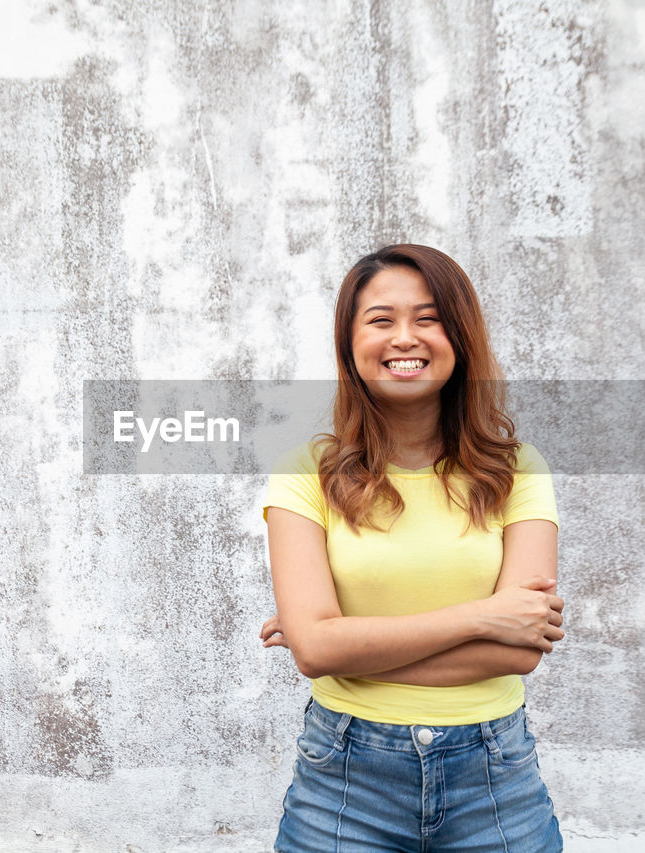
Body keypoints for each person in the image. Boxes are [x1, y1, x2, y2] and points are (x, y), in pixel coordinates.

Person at [259, 244, 566, 851]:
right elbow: (316, 651)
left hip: (495, 778)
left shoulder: (519, 472)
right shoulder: (303, 475)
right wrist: (483, 617)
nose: (405, 338)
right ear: (350, 344)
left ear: (460, 336)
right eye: (380, 320)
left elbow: (520, 653)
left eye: (428, 319)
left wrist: (347, 646)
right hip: (344, 779)